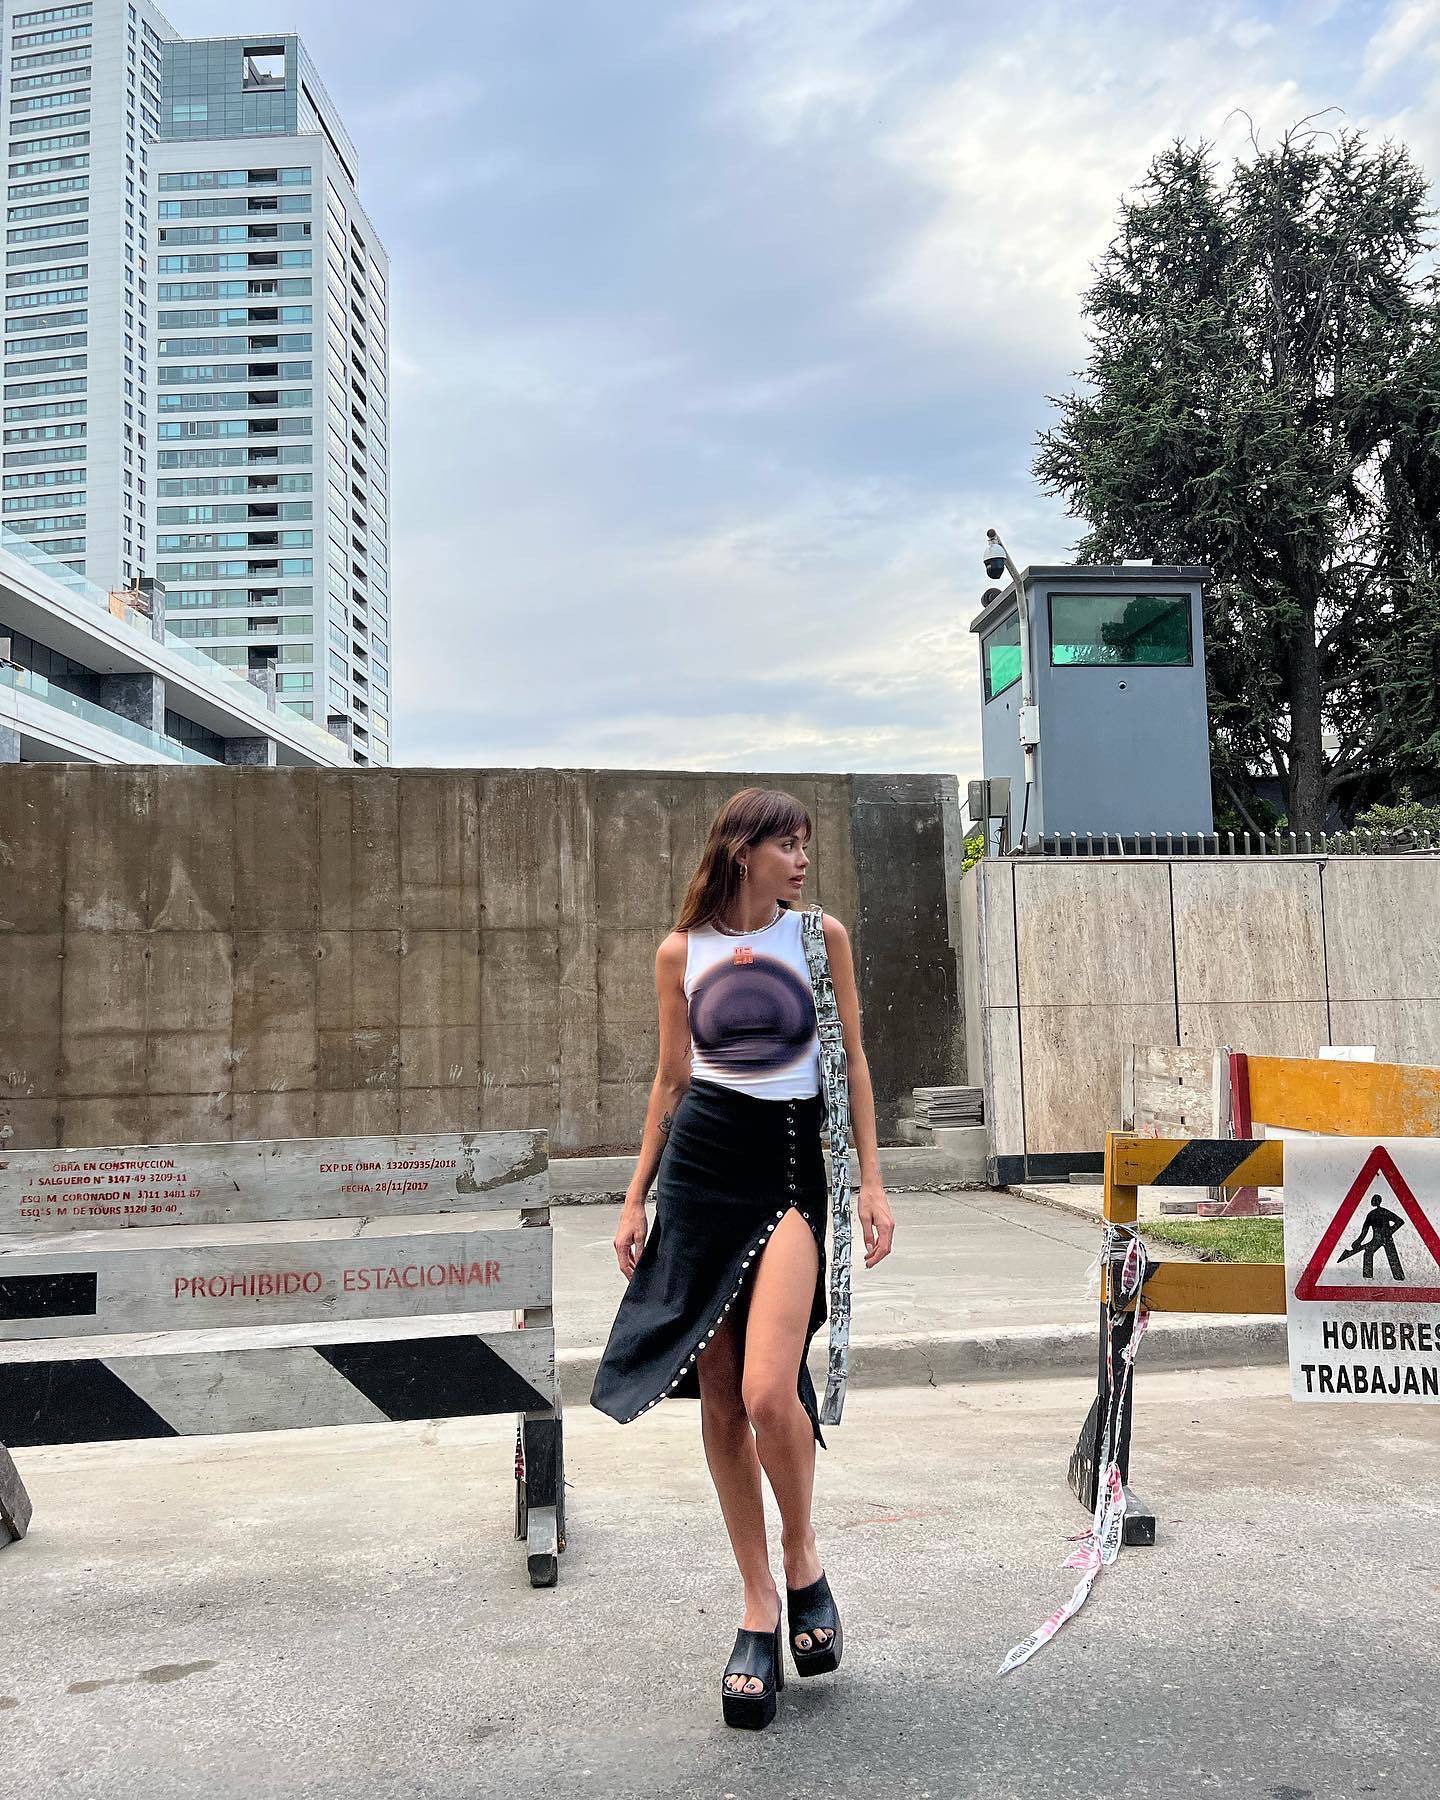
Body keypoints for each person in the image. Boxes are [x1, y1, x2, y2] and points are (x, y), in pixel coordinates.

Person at [589, 786, 895, 1730]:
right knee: (720, 1396)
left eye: (805, 845)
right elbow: (671, 1078)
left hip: (792, 1164)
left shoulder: (820, 938)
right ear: (742, 851)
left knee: (769, 1391)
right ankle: (760, 1602)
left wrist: (872, 1182)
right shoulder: (681, 952)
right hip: (701, 1169)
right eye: (787, 845)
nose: (802, 860)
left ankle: (802, 1554)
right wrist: (636, 1195)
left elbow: (853, 1059)